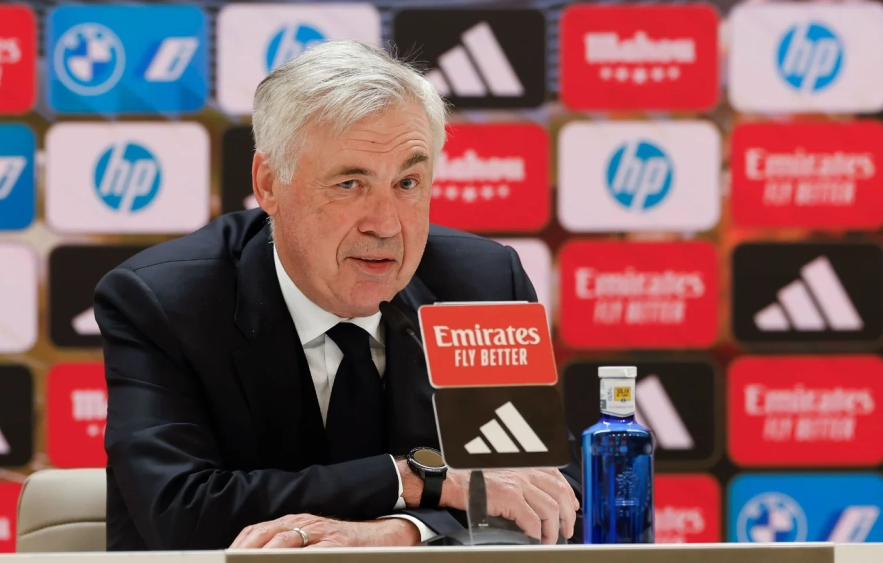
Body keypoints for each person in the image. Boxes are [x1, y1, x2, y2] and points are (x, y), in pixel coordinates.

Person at [94, 39, 581, 551]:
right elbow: (180, 512)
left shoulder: (479, 287)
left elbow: (553, 497)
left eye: (408, 182)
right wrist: (417, 480)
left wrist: (402, 532)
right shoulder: (168, 302)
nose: (386, 224)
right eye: (350, 184)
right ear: (269, 185)